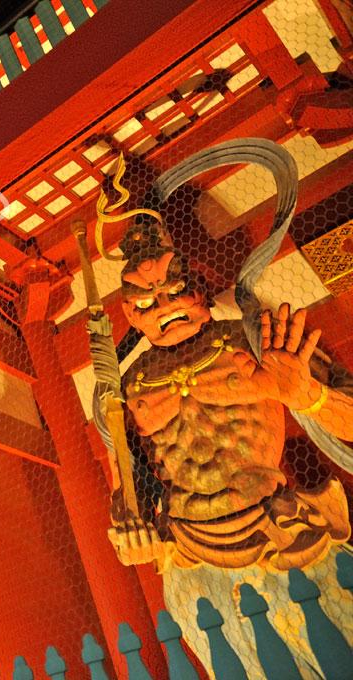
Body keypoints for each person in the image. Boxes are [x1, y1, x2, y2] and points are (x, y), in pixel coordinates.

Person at [101, 178, 353, 676]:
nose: (164, 308)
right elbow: (126, 485)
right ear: (129, 313)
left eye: (174, 291)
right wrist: (130, 533)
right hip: (190, 552)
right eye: (146, 304)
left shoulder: (252, 339)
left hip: (281, 531)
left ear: (199, 289)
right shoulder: (130, 387)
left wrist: (306, 394)